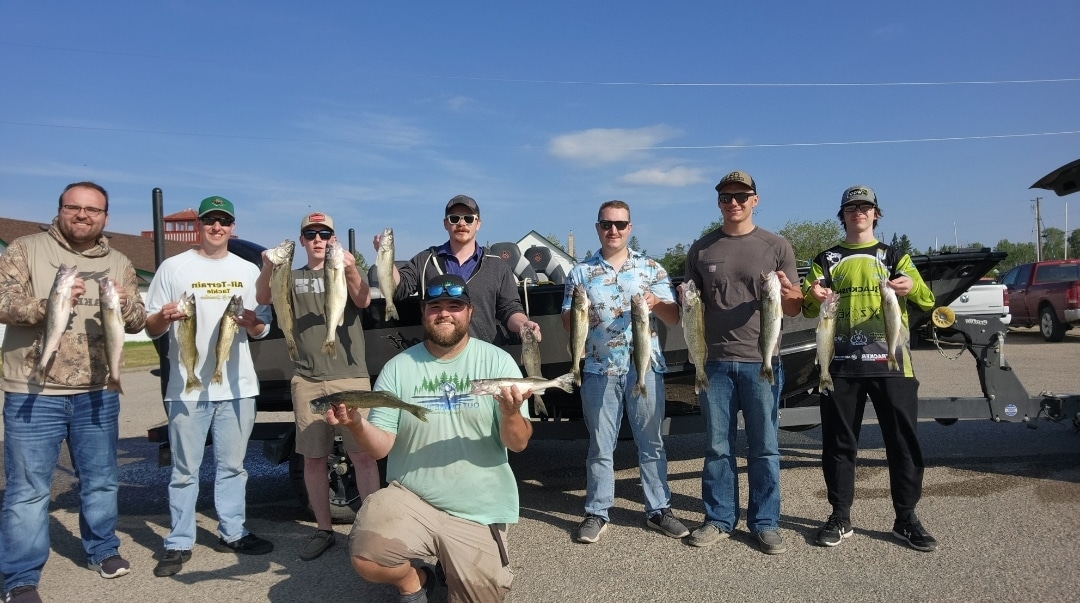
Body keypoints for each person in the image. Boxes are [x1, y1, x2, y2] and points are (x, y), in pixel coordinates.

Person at [326, 273, 532, 603]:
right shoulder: (397, 368)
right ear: (423, 313)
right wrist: (354, 425)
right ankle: (415, 580)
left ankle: (457, 568)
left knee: (483, 595)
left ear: (470, 313)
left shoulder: (498, 361)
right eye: (435, 306)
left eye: (455, 306)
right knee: (368, 555)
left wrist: (509, 414)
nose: (445, 313)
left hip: (477, 506)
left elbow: (519, 443)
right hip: (413, 496)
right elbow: (381, 448)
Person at [0, 182, 147, 602]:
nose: (83, 215)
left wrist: (124, 302)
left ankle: (103, 550)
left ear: (105, 216)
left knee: (101, 480)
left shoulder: (119, 261)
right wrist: (51, 303)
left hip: (97, 390)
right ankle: (21, 577)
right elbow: (2, 299)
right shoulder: (25, 248)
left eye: (93, 210)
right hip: (33, 390)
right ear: (61, 209)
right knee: (28, 489)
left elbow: (136, 320)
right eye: (75, 207)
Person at [801, 185, 938, 552]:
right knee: (838, 444)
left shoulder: (895, 256)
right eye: (851, 207)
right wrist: (811, 296)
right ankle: (840, 516)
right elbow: (808, 309)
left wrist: (912, 286)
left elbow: (927, 298)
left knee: (903, 443)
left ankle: (906, 518)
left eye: (865, 206)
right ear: (842, 215)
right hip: (840, 366)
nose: (858, 212)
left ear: (876, 213)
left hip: (893, 364)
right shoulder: (826, 258)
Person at [144, 195, 275, 577]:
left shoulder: (248, 270)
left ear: (233, 226)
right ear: (200, 225)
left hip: (237, 386)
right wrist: (163, 318)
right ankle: (179, 539)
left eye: (224, 221)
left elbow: (263, 325)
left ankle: (232, 530)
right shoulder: (173, 267)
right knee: (185, 469)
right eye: (210, 221)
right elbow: (150, 325)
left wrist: (253, 323)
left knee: (233, 466)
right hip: (187, 387)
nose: (217, 227)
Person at [683, 170, 803, 555]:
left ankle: (765, 522)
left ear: (755, 199)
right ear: (718, 202)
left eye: (741, 196)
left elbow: (794, 308)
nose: (733, 202)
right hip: (715, 363)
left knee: (765, 447)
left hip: (761, 362)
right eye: (725, 197)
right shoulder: (701, 249)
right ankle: (719, 519)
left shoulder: (776, 245)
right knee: (718, 447)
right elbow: (690, 306)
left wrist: (791, 293)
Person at [254, 211, 381, 561]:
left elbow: (363, 300)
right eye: (311, 235)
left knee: (363, 457)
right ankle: (324, 530)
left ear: (333, 239)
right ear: (302, 240)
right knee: (313, 459)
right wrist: (268, 266)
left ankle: (372, 530)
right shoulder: (290, 276)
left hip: (351, 374)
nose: (318, 241)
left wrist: (352, 267)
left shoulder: (342, 266)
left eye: (325, 234)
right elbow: (264, 297)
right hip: (307, 378)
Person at [561, 200, 688, 544]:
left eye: (620, 224)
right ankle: (597, 511)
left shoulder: (651, 269)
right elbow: (567, 323)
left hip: (644, 369)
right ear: (598, 227)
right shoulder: (580, 273)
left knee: (652, 443)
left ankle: (658, 509)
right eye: (606, 224)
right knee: (600, 447)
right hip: (599, 371)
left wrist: (657, 303)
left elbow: (675, 318)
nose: (613, 230)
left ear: (630, 228)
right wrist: (578, 307)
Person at [374, 194, 541, 345]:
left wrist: (523, 325)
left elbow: (510, 309)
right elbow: (398, 289)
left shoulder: (497, 266)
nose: (462, 223)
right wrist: (385, 256)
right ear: (446, 224)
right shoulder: (425, 260)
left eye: (469, 218)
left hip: (484, 358)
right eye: (454, 218)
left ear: (478, 224)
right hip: (436, 357)